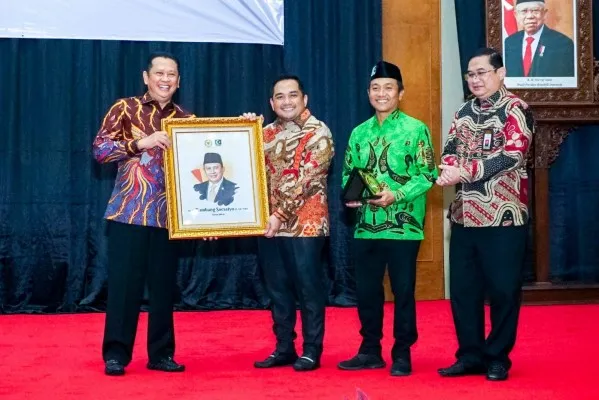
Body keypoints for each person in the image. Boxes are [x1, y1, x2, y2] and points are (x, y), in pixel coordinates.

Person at [436, 47, 534, 381]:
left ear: (500, 73)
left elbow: (513, 155)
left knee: (504, 290)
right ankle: (470, 355)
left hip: (503, 217)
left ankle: (497, 357)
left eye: (482, 72)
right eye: (470, 74)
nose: (475, 79)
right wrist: (449, 169)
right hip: (464, 216)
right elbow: (450, 149)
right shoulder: (463, 111)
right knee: (464, 291)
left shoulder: (516, 109)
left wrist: (465, 172)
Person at [92, 52, 192, 376]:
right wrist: (141, 142)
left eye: (172, 74)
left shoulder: (188, 121)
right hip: (129, 213)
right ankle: (116, 354)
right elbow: (100, 150)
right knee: (124, 286)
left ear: (179, 81)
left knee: (164, 288)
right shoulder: (124, 108)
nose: (165, 79)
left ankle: (161, 353)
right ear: (146, 77)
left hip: (169, 218)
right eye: (159, 73)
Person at [337, 61, 437, 377]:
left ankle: (403, 352)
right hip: (366, 226)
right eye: (376, 88)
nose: (382, 93)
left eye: (388, 87)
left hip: (404, 226)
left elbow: (428, 174)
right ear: (368, 93)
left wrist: (398, 194)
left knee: (403, 291)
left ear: (400, 92)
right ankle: (370, 350)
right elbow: (346, 176)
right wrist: (351, 196)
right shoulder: (358, 133)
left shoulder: (415, 129)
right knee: (366, 291)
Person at [244, 75, 334, 372]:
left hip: (305, 223)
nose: (286, 101)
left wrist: (277, 216)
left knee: (308, 288)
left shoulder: (318, 132)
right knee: (277, 289)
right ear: (272, 103)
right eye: (279, 97)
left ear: (304, 99)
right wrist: (245, 128)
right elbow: (241, 166)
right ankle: (284, 347)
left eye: (292, 95)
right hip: (269, 225)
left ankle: (311, 349)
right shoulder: (264, 133)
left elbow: (307, 181)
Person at [504, 0, 574, 77]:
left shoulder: (563, 44)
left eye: (535, 11)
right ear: (516, 15)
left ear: (544, 14)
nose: (530, 16)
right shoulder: (509, 43)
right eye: (524, 11)